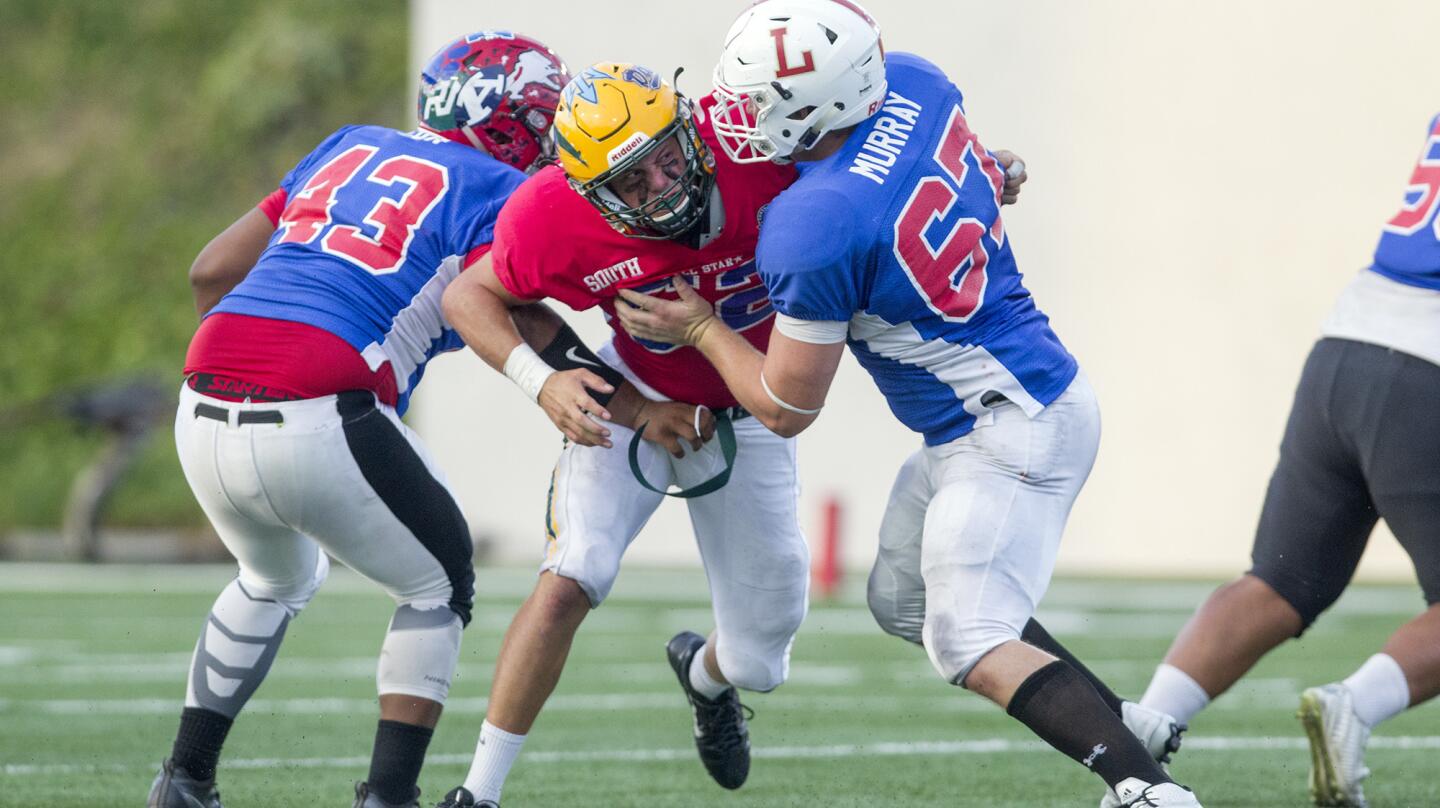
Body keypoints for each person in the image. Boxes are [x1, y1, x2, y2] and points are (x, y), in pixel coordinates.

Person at [615, 2, 1201, 806]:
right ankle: (1125, 720)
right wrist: (996, 174)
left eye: (758, 101)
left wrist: (704, 329)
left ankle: (1145, 790)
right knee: (903, 601)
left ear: (815, 105)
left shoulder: (813, 222)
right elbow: (964, 175)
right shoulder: (917, 84)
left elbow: (785, 405)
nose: (739, 118)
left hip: (1010, 426)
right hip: (991, 410)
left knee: (966, 636)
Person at [147, 32, 698, 808]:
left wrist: (246, 363)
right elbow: (532, 324)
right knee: (438, 586)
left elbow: (211, 269)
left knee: (273, 577)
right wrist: (640, 406)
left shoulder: (349, 144)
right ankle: (391, 796)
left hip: (202, 396)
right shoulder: (501, 190)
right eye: (541, 121)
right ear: (512, 127)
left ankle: (184, 780)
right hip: (320, 401)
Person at [1134, 113, 1440, 808]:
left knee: (1277, 583)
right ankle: (1355, 705)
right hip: (1428, 371)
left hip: (1346, 345)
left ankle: (1147, 726)